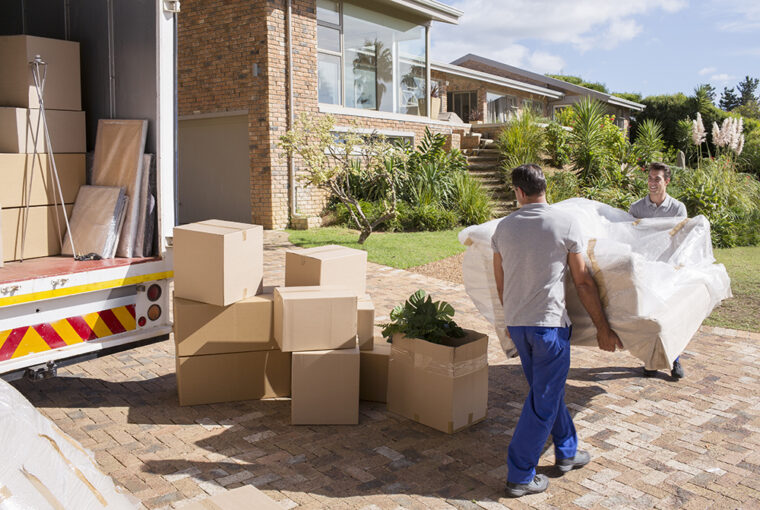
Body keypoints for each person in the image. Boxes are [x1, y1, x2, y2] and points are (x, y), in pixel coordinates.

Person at [492, 164, 623, 498]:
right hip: (548, 326)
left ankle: (566, 451)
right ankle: (520, 474)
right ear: (545, 188)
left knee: (546, 392)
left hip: (519, 323)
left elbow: (500, 281)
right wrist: (602, 328)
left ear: (519, 192)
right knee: (543, 401)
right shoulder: (565, 222)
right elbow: (582, 281)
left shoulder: (502, 229)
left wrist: (509, 321)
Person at [629, 162, 687, 379]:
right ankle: (650, 361)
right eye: (650, 178)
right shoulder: (636, 208)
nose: (652, 183)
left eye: (657, 179)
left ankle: (675, 359)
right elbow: (631, 237)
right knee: (649, 316)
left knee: (669, 315)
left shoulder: (677, 208)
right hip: (645, 269)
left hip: (667, 269)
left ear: (667, 181)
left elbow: (679, 240)